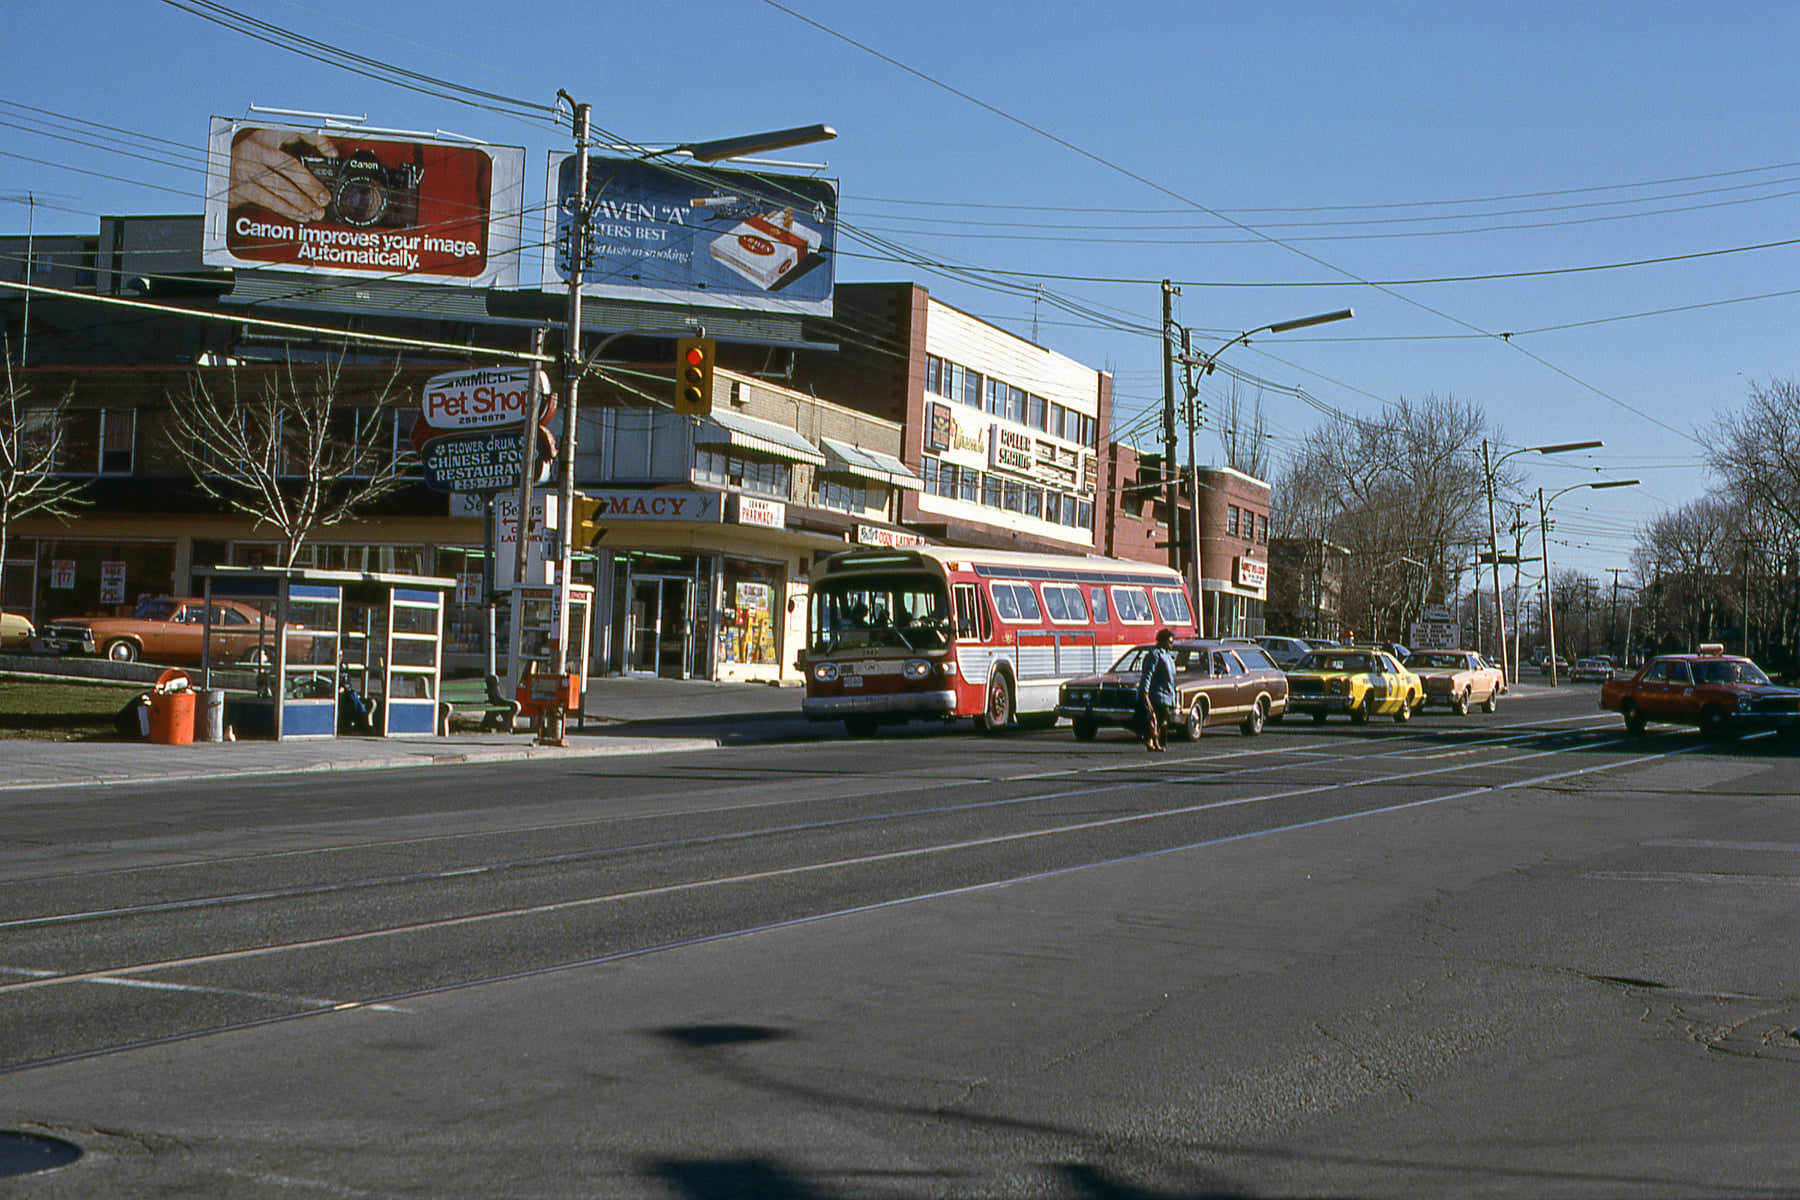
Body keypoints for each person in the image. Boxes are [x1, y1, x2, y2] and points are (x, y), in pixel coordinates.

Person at [1137, 627, 1179, 753]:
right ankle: (1153, 741)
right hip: (1157, 695)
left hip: (1167, 695)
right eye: (1169, 642)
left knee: (1162, 721)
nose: (1172, 645)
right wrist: (1144, 691)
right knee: (1156, 720)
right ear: (1162, 641)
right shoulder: (1155, 655)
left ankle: (1156, 742)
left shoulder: (1168, 657)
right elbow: (1148, 674)